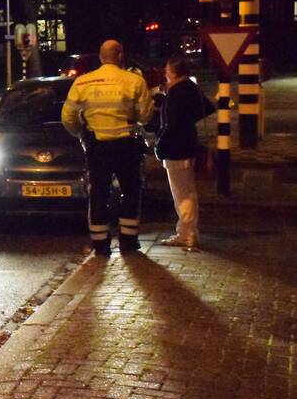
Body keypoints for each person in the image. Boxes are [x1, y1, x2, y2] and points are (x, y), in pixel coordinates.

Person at [61, 40, 154, 256]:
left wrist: (81, 133)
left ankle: (100, 244)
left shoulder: (83, 83)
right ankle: (128, 241)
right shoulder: (134, 81)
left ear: (101, 57)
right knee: (131, 190)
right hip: (126, 145)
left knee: (99, 193)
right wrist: (134, 121)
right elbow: (146, 115)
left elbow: (67, 116)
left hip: (97, 147)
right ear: (120, 55)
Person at [152, 57, 215, 248]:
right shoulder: (190, 89)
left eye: (167, 69)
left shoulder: (176, 94)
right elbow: (208, 107)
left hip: (176, 149)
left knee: (182, 193)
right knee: (186, 190)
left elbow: (171, 125)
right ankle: (187, 231)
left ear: (172, 72)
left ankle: (187, 234)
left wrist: (159, 146)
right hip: (188, 144)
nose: (165, 72)